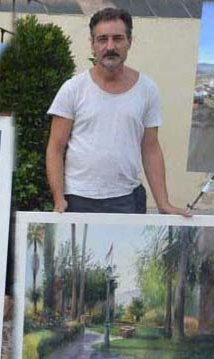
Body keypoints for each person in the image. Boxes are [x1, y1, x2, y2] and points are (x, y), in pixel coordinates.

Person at [46, 7, 188, 216]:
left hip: (127, 199)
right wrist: (59, 199)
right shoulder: (73, 89)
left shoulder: (147, 89)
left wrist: (164, 203)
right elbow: (55, 147)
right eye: (102, 39)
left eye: (118, 39)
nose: (110, 46)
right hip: (77, 199)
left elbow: (150, 148)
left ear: (129, 42)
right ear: (93, 44)